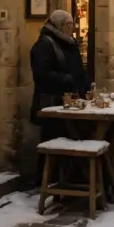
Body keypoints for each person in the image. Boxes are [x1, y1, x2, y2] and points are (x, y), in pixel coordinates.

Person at [30, 10, 90, 184]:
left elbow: (78, 69)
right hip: (52, 103)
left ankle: (69, 179)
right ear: (60, 25)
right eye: (70, 25)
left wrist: (85, 86)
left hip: (68, 101)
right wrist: (68, 80)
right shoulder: (44, 44)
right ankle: (48, 181)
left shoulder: (68, 42)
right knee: (53, 139)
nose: (72, 28)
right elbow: (42, 74)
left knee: (72, 136)